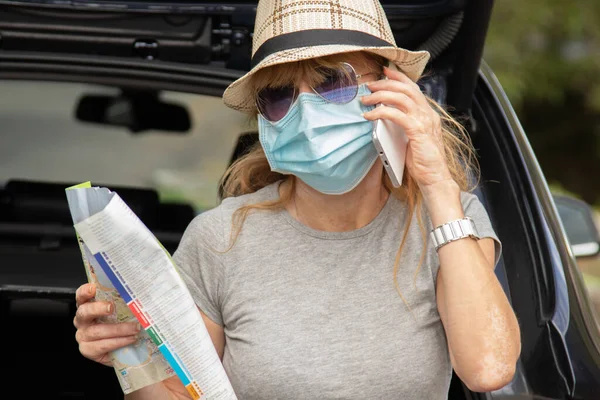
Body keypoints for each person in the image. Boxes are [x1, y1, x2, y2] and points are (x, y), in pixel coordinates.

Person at [72, 1, 521, 399]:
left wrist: (438, 183)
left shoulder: (448, 224)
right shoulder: (220, 238)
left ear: (393, 90)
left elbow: (489, 369)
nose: (305, 113)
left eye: (332, 82)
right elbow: (180, 396)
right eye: (279, 95)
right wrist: (131, 355)